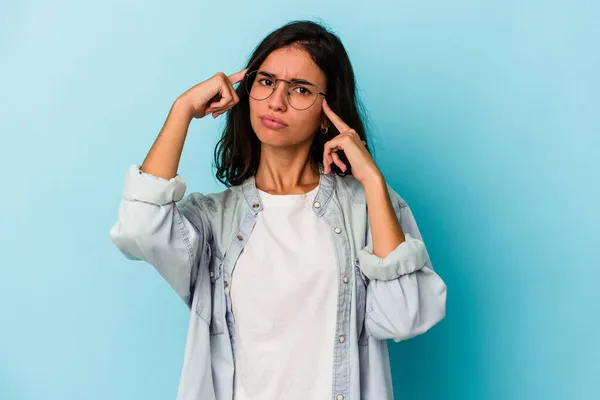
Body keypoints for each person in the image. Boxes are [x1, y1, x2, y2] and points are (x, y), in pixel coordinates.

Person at [110, 19, 447, 400]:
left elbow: (404, 316)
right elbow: (139, 228)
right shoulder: (213, 220)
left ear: (326, 112)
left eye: (300, 89)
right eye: (267, 81)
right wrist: (182, 110)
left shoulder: (366, 206)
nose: (276, 101)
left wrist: (371, 180)